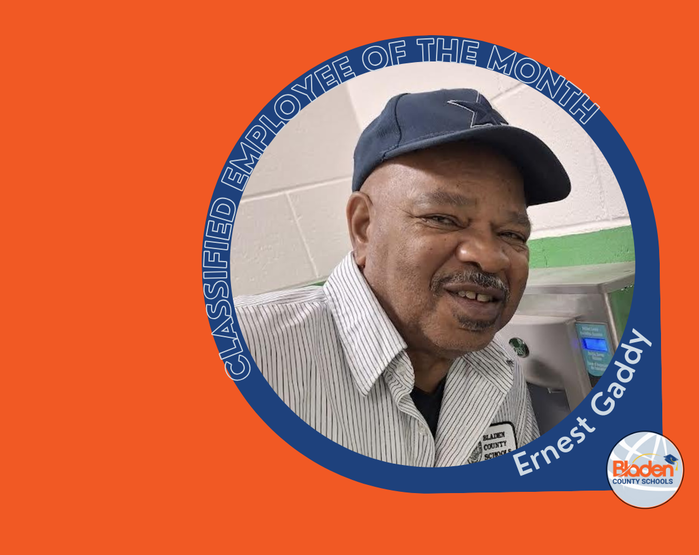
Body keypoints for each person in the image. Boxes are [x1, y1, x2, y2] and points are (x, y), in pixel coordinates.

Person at [235, 88, 571, 466]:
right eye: (442, 219)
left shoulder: (500, 372)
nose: (490, 257)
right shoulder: (247, 352)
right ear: (364, 228)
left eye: (512, 234)